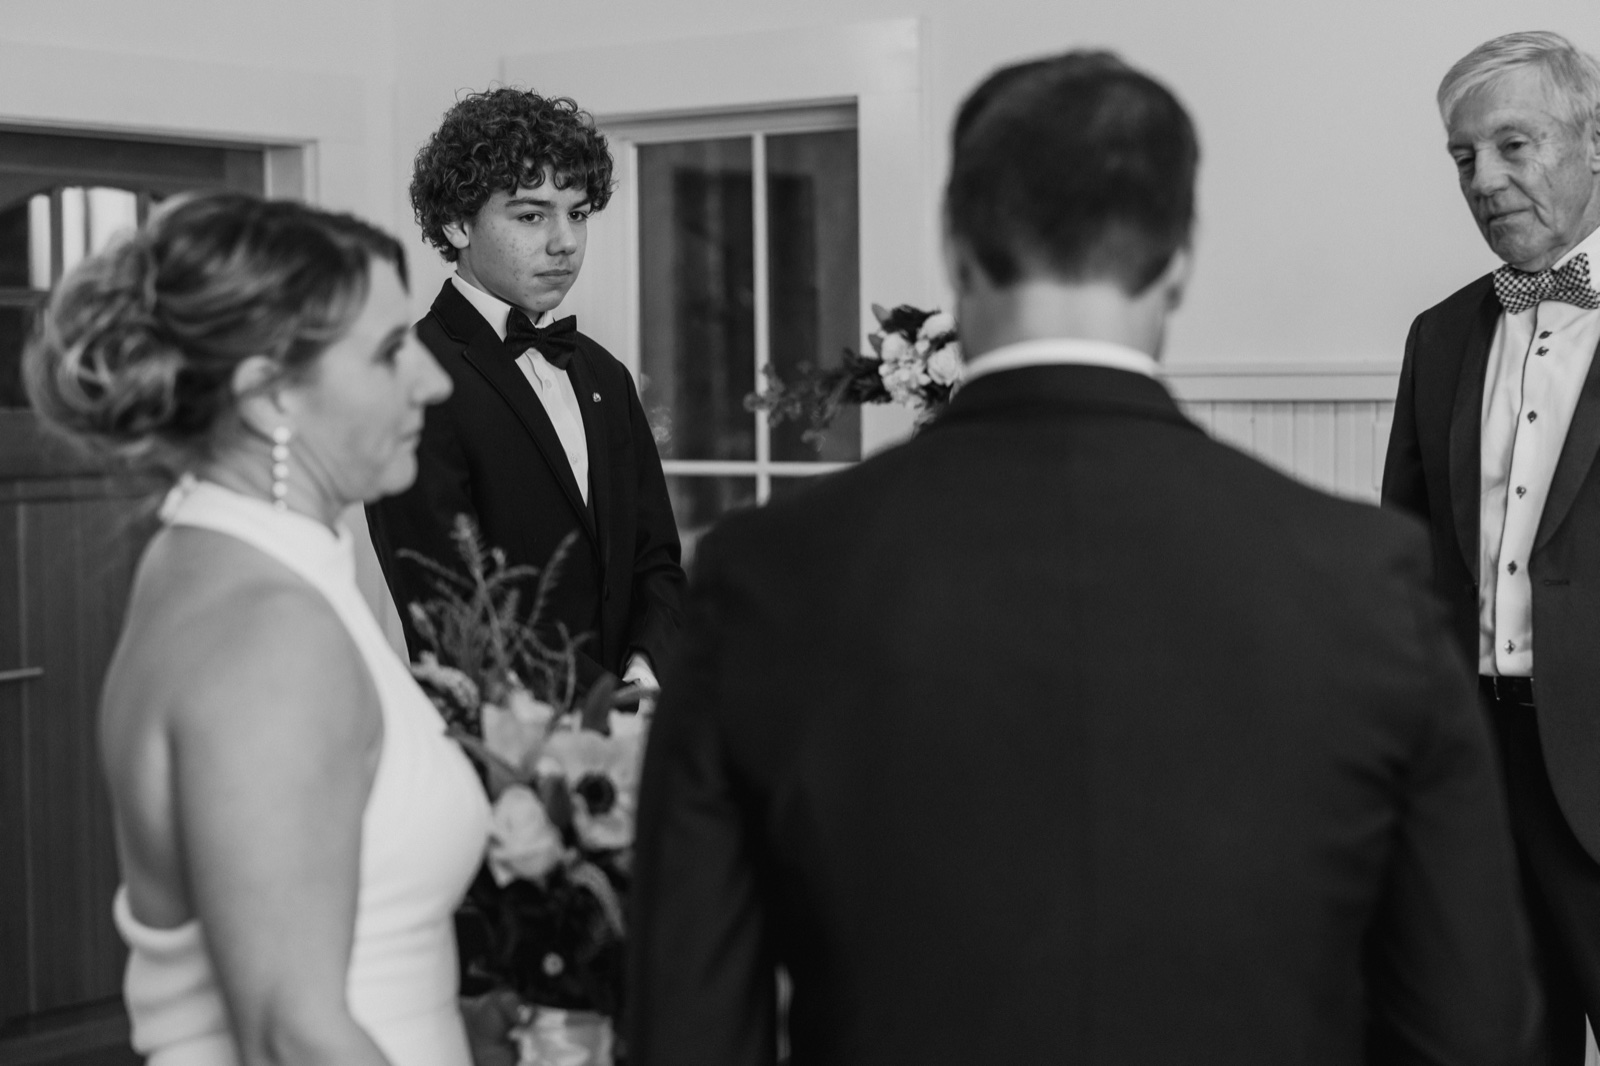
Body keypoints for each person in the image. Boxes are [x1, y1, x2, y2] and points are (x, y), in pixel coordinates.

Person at [629, 50, 1532, 1066]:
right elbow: (1470, 1026)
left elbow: (686, 1025)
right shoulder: (1364, 580)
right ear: (1179, 260)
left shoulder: (764, 573)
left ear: (958, 254)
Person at [24, 193, 488, 1066]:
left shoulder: (219, 555)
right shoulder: (272, 635)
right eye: (391, 352)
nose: (434, 380)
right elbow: (290, 1036)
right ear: (272, 396)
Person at [1382, 30, 1600, 1065]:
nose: (1486, 179)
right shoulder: (1439, 336)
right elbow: (1407, 562)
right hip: (1475, 776)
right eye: (1463, 157)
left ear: (1592, 140)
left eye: (1514, 145)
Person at [367, 88, 684, 700]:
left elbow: (657, 561)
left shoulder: (605, 375)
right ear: (457, 223)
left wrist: (644, 679)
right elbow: (450, 608)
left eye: (579, 212)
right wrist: (602, 706)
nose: (565, 241)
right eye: (532, 215)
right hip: (499, 750)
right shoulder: (410, 379)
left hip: (636, 731)